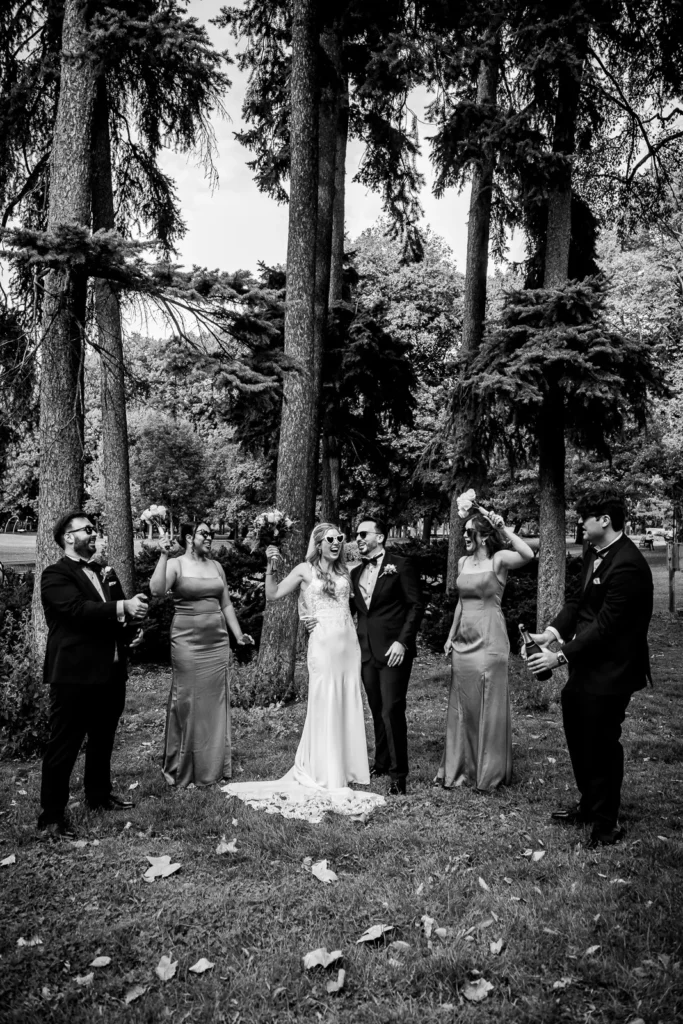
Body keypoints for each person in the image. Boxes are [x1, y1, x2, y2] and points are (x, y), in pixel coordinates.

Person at [222, 524, 384, 822]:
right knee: (324, 703)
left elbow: (360, 601)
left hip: (348, 645)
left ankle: (346, 767)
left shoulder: (347, 570)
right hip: (322, 646)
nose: (336, 543)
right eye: (330, 539)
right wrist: (271, 566)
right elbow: (272, 595)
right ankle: (323, 769)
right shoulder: (303, 570)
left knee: (348, 701)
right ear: (319, 543)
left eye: (339, 539)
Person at [527, 489, 653, 848]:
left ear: (605, 521)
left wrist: (559, 656)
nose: (580, 524)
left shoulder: (628, 564)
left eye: (584, 518)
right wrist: (549, 633)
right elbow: (578, 603)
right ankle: (589, 802)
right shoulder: (592, 553)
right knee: (579, 734)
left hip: (614, 669)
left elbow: (606, 627)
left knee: (601, 742)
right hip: (587, 665)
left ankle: (607, 824)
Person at [38, 511, 149, 838]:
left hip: (111, 672)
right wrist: (123, 608)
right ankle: (52, 818)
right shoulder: (54, 575)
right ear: (68, 537)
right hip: (74, 674)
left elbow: (113, 618)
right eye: (86, 529)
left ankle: (98, 796)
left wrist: (129, 633)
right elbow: (77, 611)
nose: (93, 533)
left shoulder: (105, 572)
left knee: (103, 738)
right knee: (64, 745)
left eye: (93, 529)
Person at [435, 511, 534, 792]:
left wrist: (503, 528)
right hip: (464, 641)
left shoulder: (499, 559)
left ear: (483, 537)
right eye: (464, 531)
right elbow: (460, 601)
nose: (464, 536)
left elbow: (527, 554)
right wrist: (451, 634)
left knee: (487, 700)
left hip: (490, 639)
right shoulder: (463, 561)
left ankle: (488, 770)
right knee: (462, 703)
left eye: (470, 532)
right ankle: (461, 767)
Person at [150, 521, 254, 789]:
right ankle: (183, 765)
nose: (210, 538)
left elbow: (226, 603)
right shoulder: (176, 564)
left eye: (211, 534)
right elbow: (157, 590)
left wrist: (238, 635)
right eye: (204, 534)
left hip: (217, 642)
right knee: (187, 700)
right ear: (188, 537)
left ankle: (213, 765)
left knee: (214, 702)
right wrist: (162, 555)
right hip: (187, 640)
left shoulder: (216, 566)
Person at [350, 517, 424, 796]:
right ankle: (381, 763)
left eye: (363, 534)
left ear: (379, 537)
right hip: (367, 652)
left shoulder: (400, 565)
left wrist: (403, 643)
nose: (358, 538)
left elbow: (415, 606)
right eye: (356, 535)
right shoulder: (355, 572)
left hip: (394, 652)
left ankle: (398, 775)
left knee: (392, 710)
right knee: (376, 709)